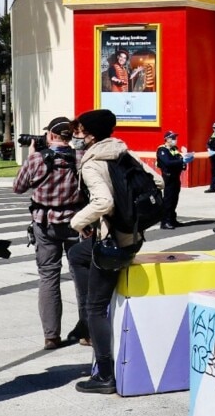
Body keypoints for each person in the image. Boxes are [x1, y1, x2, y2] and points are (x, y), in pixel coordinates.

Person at [67, 109, 164, 393]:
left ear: (92, 134)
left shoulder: (92, 163)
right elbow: (157, 182)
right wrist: (130, 212)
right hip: (130, 237)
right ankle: (89, 313)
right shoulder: (123, 153)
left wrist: (76, 222)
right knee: (76, 255)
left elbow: (103, 202)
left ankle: (105, 375)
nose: (77, 135)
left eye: (80, 130)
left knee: (96, 307)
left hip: (112, 246)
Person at [13, 117, 87, 350]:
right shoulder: (81, 158)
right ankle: (88, 332)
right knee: (81, 276)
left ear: (52, 135)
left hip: (45, 223)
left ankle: (51, 336)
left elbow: (18, 187)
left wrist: (32, 157)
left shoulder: (36, 159)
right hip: (76, 222)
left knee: (48, 276)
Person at [156, 130, 188, 230]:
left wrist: (184, 161)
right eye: (173, 138)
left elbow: (179, 159)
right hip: (168, 177)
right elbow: (168, 162)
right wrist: (181, 160)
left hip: (175, 177)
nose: (175, 140)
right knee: (168, 200)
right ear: (167, 139)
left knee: (174, 199)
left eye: (175, 138)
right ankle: (165, 221)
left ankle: (172, 219)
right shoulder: (162, 150)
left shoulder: (174, 149)